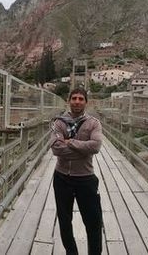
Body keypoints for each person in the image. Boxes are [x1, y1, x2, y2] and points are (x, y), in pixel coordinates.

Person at [49, 88, 104, 255]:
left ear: (86, 102)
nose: (77, 101)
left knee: (93, 222)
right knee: (65, 221)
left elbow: (95, 146)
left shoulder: (93, 123)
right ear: (69, 101)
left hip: (85, 178)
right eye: (74, 98)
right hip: (62, 177)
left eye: (81, 98)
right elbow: (56, 149)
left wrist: (70, 142)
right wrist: (83, 148)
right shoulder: (59, 123)